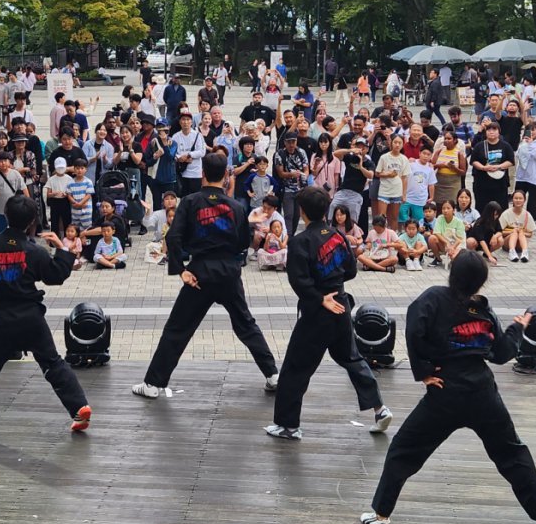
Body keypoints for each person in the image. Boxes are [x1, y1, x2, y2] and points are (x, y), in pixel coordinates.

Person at [359, 252, 536, 524]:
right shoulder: (484, 313)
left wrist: (424, 372)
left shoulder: (432, 299)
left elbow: (415, 330)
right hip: (483, 393)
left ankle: (381, 515)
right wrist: (518, 328)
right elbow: (502, 353)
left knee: (404, 450)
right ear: (481, 282)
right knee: (512, 453)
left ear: (451, 272)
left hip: (445, 392)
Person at [0, 195, 92, 439]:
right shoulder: (34, 250)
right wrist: (62, 248)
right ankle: (79, 406)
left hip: (0, 318)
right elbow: (55, 275)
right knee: (53, 363)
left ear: (5, 214)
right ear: (32, 221)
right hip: (31, 317)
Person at [133, 153, 279, 398]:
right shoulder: (235, 206)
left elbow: (173, 237)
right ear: (225, 176)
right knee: (245, 324)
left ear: (202, 174)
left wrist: (181, 270)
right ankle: (273, 374)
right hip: (229, 273)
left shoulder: (190, 202)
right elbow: (244, 242)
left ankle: (152, 384)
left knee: (178, 328)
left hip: (199, 273)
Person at [265, 186, 391, 440]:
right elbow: (351, 271)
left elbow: (298, 281)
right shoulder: (338, 236)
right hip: (341, 305)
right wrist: (333, 287)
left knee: (295, 368)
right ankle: (380, 408)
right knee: (352, 358)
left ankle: (289, 426)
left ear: (302, 212)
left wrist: (320, 297)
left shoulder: (301, 241)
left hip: (317, 312)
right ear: (327, 210)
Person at [500, 189, 536, 262]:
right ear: (512, 200)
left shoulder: (527, 215)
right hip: (507, 243)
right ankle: (512, 252)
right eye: (516, 198)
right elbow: (499, 231)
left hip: (520, 243)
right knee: (514, 233)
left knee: (520, 232)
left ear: (524, 200)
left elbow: (530, 234)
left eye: (520, 198)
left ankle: (525, 252)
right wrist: (512, 231)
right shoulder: (506, 213)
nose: (518, 200)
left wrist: (521, 232)